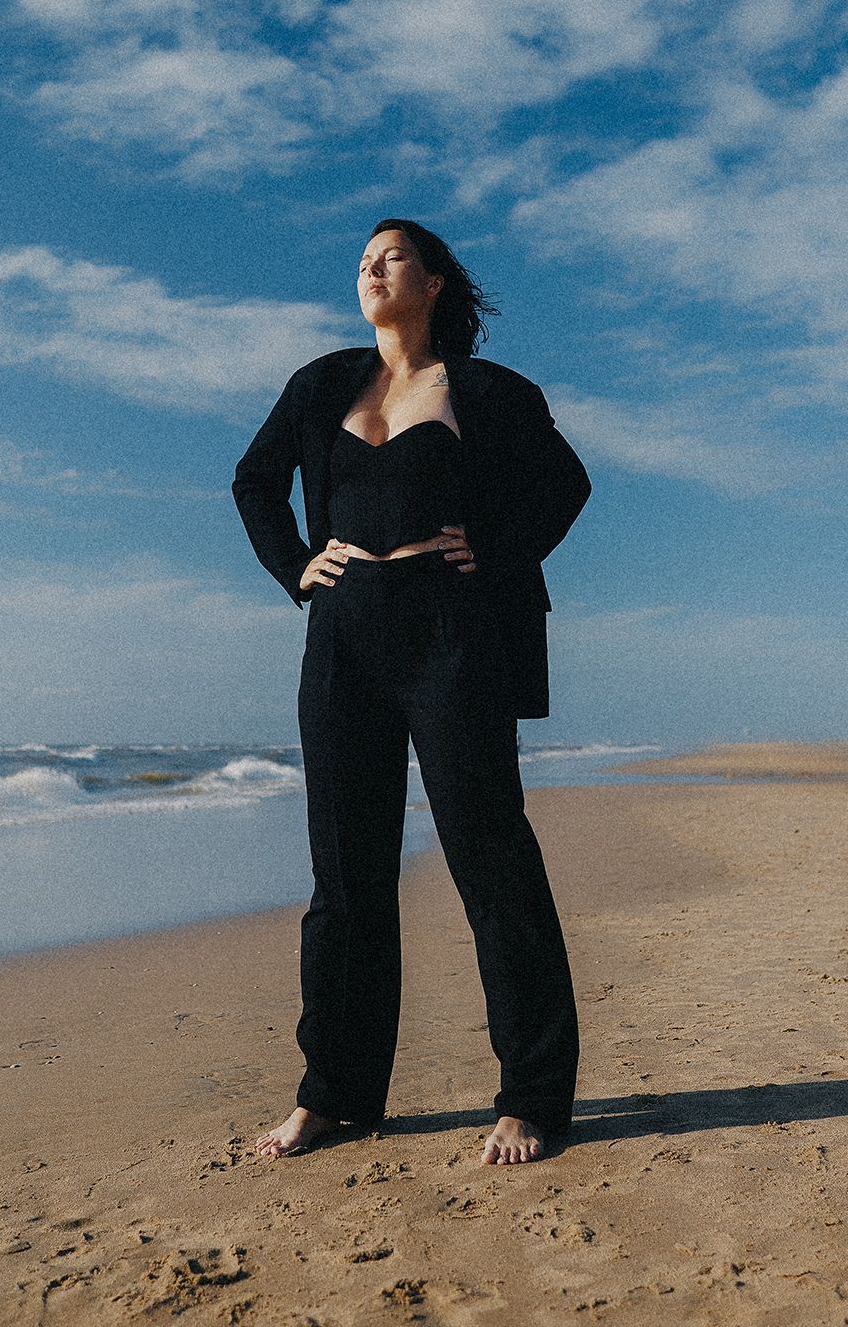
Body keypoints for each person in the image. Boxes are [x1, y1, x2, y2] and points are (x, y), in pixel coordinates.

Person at [232, 218, 591, 1166]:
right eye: (362, 261)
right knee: (344, 875)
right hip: (344, 636)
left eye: (391, 257)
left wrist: (496, 548)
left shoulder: (489, 391)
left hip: (451, 632)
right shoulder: (321, 385)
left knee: (490, 856)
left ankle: (532, 1096)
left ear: (433, 283)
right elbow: (254, 482)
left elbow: (565, 485)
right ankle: (335, 1093)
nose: (371, 269)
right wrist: (296, 564)